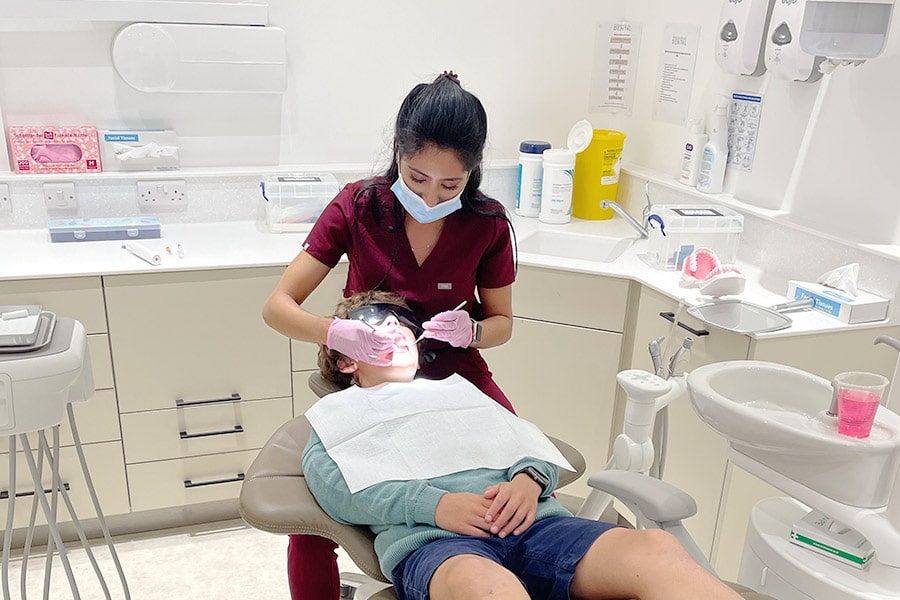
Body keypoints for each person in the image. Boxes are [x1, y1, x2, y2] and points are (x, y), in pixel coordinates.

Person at [302, 291, 744, 600]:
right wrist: (434, 506)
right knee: (488, 589)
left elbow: (530, 446)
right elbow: (337, 488)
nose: (395, 331)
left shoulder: (459, 394)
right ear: (346, 358)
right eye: (376, 327)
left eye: (401, 326)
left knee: (656, 549)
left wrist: (530, 481)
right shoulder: (338, 415)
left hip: (539, 527)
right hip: (439, 544)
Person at [262, 71, 516, 599]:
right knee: (312, 521)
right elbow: (277, 307)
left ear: (472, 173)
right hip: (370, 382)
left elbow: (502, 324)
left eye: (450, 185)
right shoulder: (359, 207)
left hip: (456, 379)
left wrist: (472, 331)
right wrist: (336, 333)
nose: (430, 196)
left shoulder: (487, 224)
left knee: (511, 474)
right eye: (417, 177)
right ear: (398, 152)